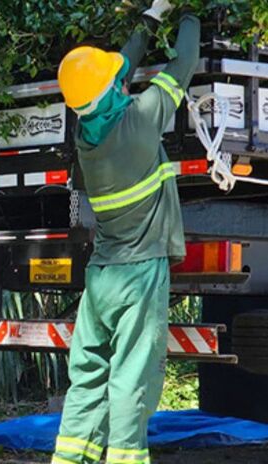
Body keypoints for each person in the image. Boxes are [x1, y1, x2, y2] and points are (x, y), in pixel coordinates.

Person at [51, 1, 199, 462]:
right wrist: (190, 11)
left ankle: (70, 457)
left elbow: (112, 78)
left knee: (89, 375)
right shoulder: (139, 121)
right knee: (132, 378)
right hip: (139, 276)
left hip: (103, 279)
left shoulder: (87, 134)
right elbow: (186, 62)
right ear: (112, 93)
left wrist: (151, 20)